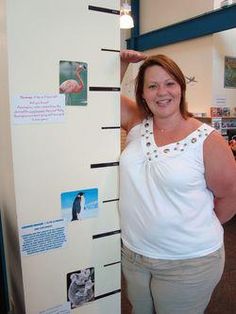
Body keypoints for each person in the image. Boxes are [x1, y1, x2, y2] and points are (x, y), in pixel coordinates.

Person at [119, 49, 236, 314]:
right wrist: (122, 65)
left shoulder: (208, 140)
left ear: (181, 88)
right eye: (152, 86)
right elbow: (99, 100)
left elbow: (230, 198)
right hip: (134, 254)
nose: (162, 92)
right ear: (143, 93)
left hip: (188, 262)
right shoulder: (137, 123)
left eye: (170, 83)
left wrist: (188, 226)